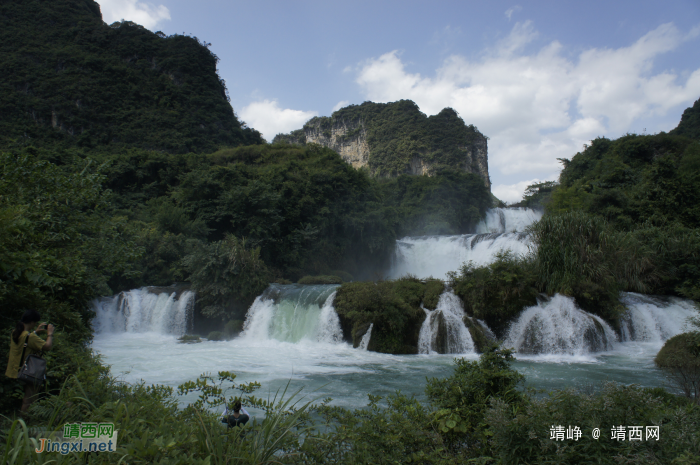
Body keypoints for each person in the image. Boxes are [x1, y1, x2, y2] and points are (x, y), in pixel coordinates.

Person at [5, 309, 54, 412]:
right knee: (29, 399)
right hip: (28, 371)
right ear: (32, 322)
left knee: (26, 397)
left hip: (15, 369)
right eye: (35, 323)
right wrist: (50, 334)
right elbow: (47, 346)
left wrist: (36, 331)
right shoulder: (30, 337)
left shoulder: (15, 332)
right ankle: (24, 422)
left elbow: (25, 340)